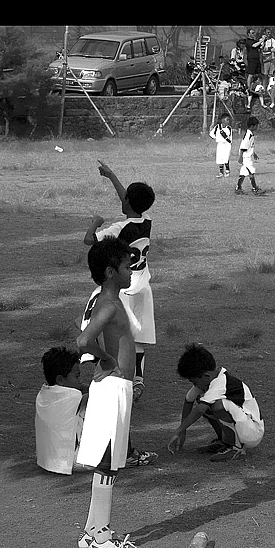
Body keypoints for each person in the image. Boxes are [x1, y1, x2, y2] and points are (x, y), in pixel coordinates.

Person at [81, 160, 158, 467]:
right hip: (142, 287)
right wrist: (112, 175)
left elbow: (90, 242)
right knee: (135, 340)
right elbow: (128, 199)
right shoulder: (146, 221)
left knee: (117, 341)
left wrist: (95, 223)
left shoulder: (118, 230)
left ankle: (118, 376)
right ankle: (136, 376)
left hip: (125, 291)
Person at [74, 238, 144, 548]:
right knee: (108, 463)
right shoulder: (110, 305)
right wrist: (105, 358)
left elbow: (82, 326)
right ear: (110, 271)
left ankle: (92, 531)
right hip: (113, 387)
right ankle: (101, 536)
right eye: (127, 266)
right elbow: (84, 339)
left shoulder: (107, 301)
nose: (132, 270)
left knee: (109, 461)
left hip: (116, 387)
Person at [167, 343, 264, 462]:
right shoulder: (208, 382)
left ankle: (235, 447)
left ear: (206, 376)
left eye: (195, 382)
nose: (195, 386)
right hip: (243, 426)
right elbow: (188, 401)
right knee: (202, 400)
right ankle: (224, 442)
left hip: (252, 432)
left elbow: (200, 410)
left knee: (217, 405)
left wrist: (178, 431)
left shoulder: (221, 383)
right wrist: (183, 433)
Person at [36, 346, 89, 475]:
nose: (80, 380)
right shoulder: (74, 396)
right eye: (77, 376)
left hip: (47, 460)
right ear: (60, 379)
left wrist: (80, 386)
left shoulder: (43, 393)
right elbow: (98, 393)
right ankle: (127, 455)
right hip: (74, 462)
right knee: (98, 401)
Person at [236, 115, 262, 195]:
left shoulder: (250, 134)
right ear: (252, 126)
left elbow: (249, 146)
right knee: (251, 172)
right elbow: (243, 147)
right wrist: (240, 157)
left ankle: (238, 188)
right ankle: (254, 189)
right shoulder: (248, 135)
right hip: (246, 157)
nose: (257, 127)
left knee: (243, 173)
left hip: (248, 156)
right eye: (256, 126)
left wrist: (254, 153)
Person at [209, 112, 234, 177]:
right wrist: (217, 138)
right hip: (220, 144)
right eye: (227, 120)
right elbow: (212, 135)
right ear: (223, 120)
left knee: (226, 157)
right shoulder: (217, 127)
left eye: (228, 120)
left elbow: (229, 138)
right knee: (220, 158)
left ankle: (227, 171)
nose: (228, 121)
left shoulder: (229, 128)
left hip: (227, 144)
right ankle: (221, 172)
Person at [243, 28, 262, 110]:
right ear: (248, 34)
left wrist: (262, 41)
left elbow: (259, 47)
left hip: (257, 59)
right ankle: (248, 87)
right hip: (251, 59)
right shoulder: (248, 41)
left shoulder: (255, 41)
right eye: (252, 33)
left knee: (258, 74)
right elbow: (254, 46)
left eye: (254, 33)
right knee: (250, 74)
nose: (254, 34)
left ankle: (257, 86)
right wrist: (261, 41)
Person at [258, 28, 275, 93]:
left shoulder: (273, 40)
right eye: (267, 32)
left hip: (272, 59)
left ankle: (270, 88)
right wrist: (269, 48)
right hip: (265, 60)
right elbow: (262, 48)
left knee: (271, 74)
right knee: (265, 74)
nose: (269, 34)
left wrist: (268, 49)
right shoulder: (261, 40)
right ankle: (264, 87)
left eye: (270, 32)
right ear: (264, 33)